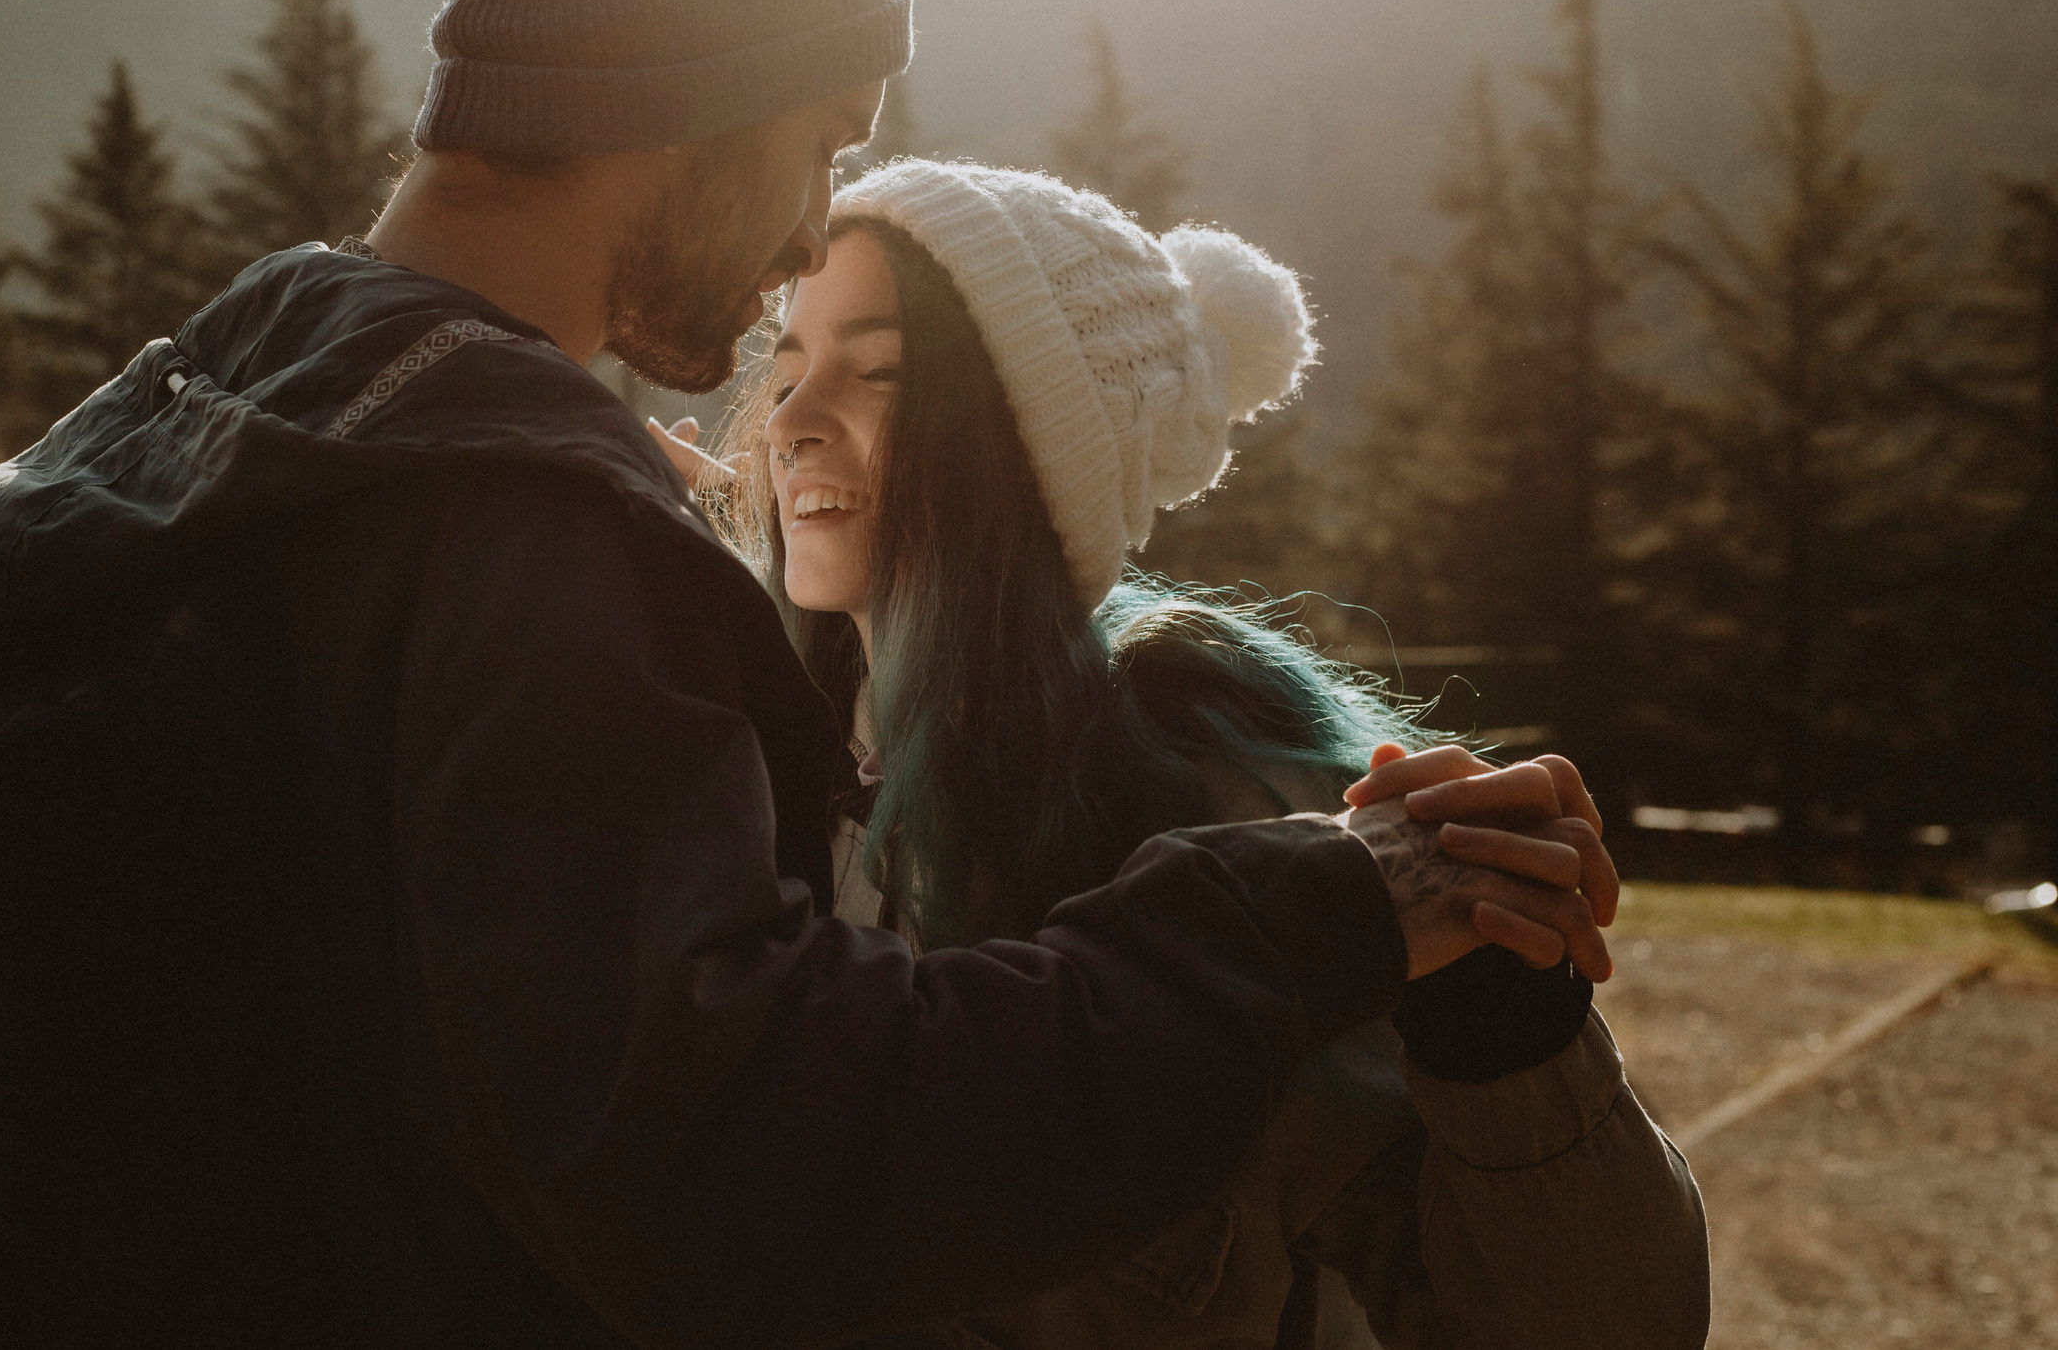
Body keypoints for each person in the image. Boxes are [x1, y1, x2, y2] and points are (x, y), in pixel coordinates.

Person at [0, 0, 1616, 1348]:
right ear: (691, 97)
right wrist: (1298, 906)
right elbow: (750, 1154)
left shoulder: (192, 423)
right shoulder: (513, 539)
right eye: (822, 142)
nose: (811, 235)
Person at [680, 158, 1708, 1347]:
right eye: (792, 366)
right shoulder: (730, 772)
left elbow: (1597, 1325)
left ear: (1029, 448)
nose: (792, 423)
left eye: (880, 371)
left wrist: (1502, 1032)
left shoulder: (1233, 820)